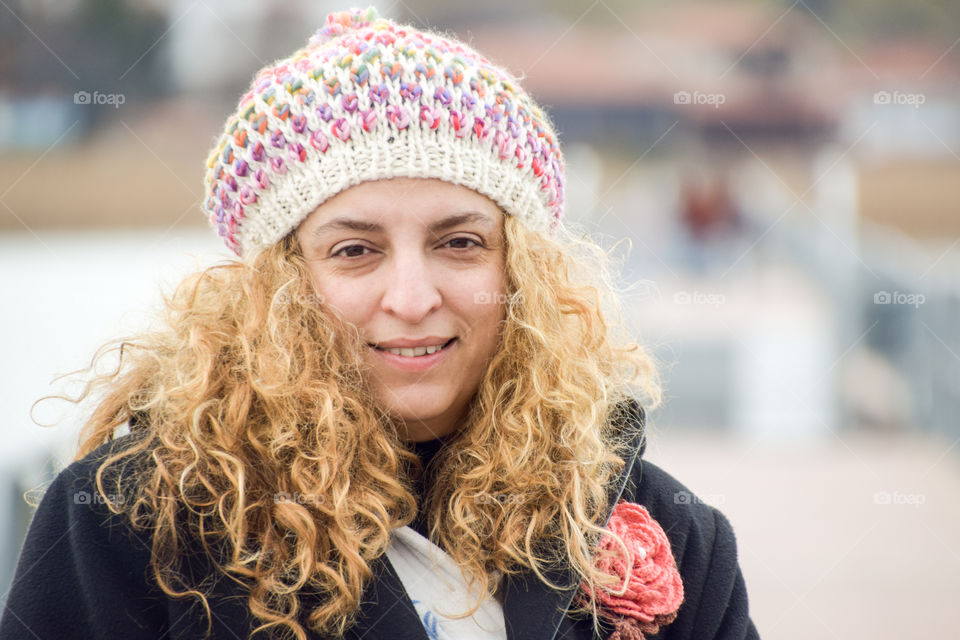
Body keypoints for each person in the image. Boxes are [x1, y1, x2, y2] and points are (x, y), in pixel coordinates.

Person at [0, 8, 759, 640]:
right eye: (355, 250)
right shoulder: (126, 524)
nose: (411, 296)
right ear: (281, 282)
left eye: (459, 242)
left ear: (521, 271)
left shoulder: (676, 538)